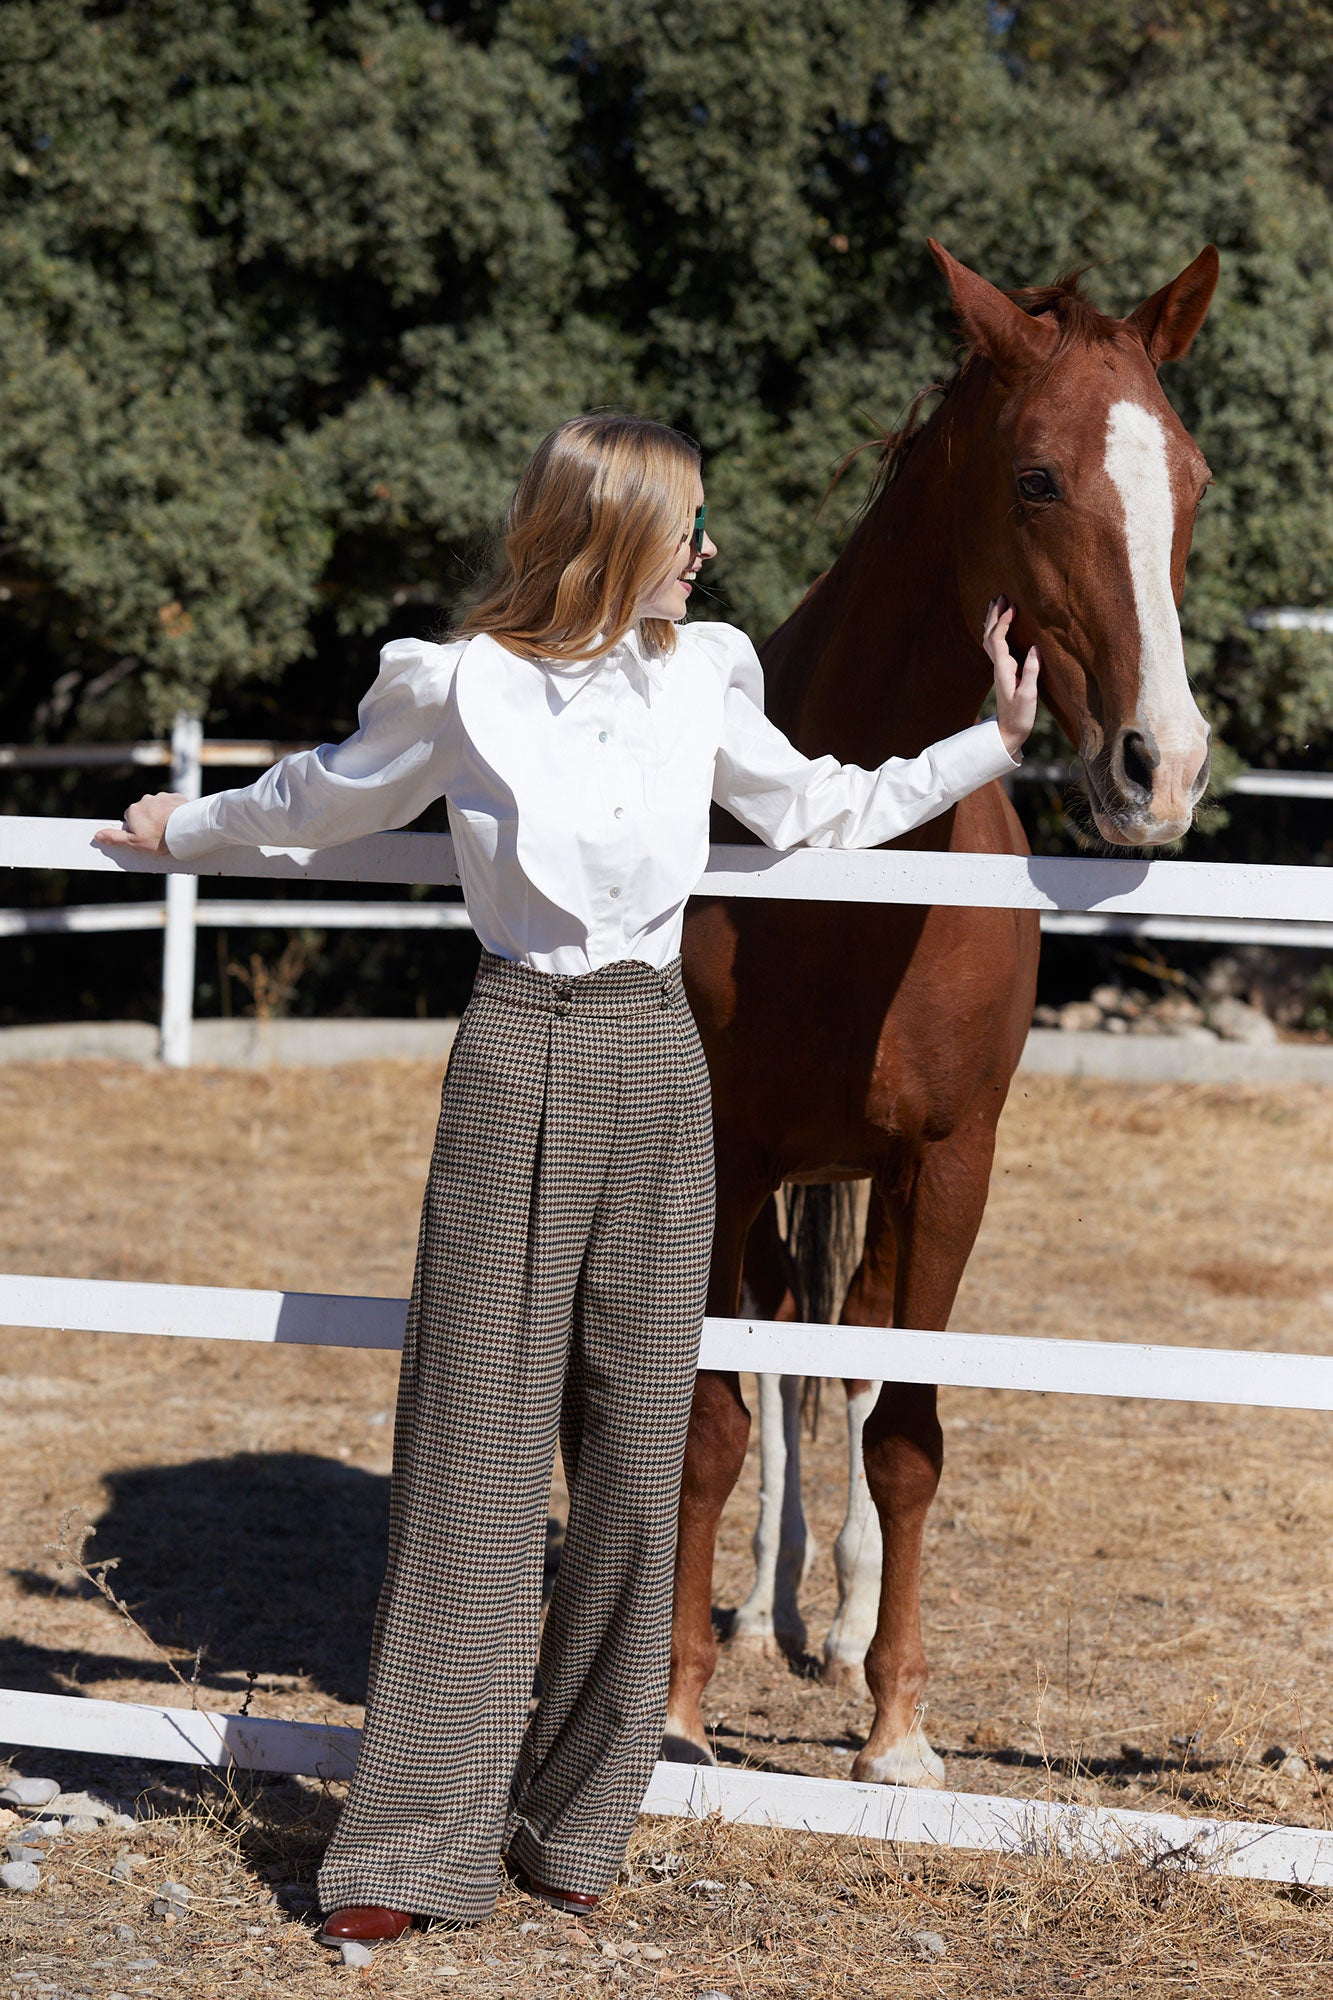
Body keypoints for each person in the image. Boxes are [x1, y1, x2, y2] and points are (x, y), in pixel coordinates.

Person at [96, 412, 1039, 1947]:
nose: (708, 551)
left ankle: (574, 1818)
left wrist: (989, 744)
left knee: (632, 1443)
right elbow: (313, 805)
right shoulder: (457, 684)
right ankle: (412, 1848)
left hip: (660, 1060)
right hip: (518, 1049)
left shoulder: (705, 674)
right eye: (687, 527)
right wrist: (176, 828)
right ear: (609, 536)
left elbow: (817, 808)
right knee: (470, 1442)